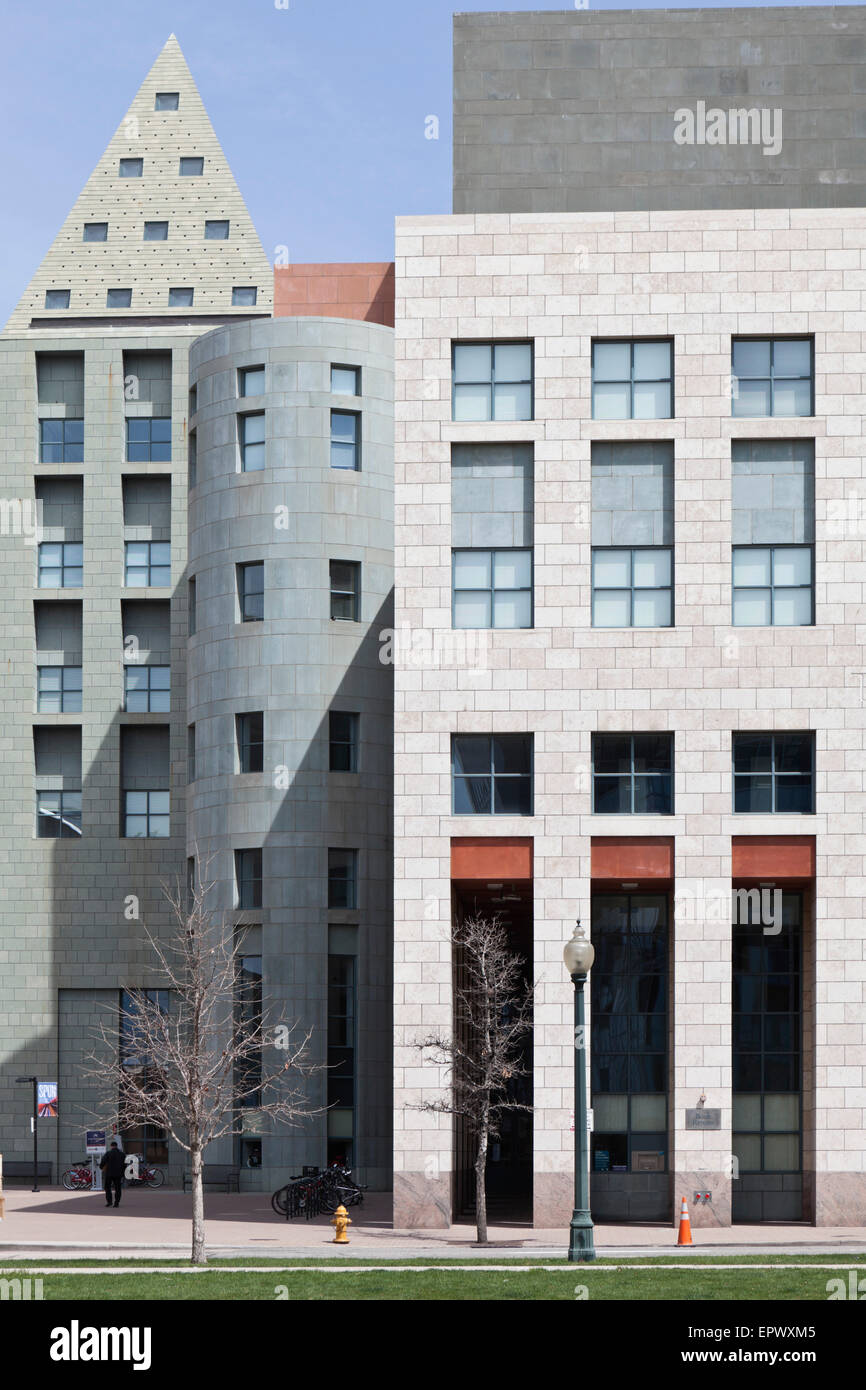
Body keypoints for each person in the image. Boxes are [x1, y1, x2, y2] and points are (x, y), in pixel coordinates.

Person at [99, 1140, 125, 1208]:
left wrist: (101, 1167)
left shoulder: (108, 1153)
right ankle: (116, 1203)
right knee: (118, 1189)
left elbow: (103, 1161)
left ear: (111, 1146)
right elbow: (125, 1164)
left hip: (109, 1174)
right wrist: (123, 1172)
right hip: (118, 1174)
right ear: (116, 1146)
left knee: (107, 1188)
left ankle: (109, 1202)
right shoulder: (122, 1154)